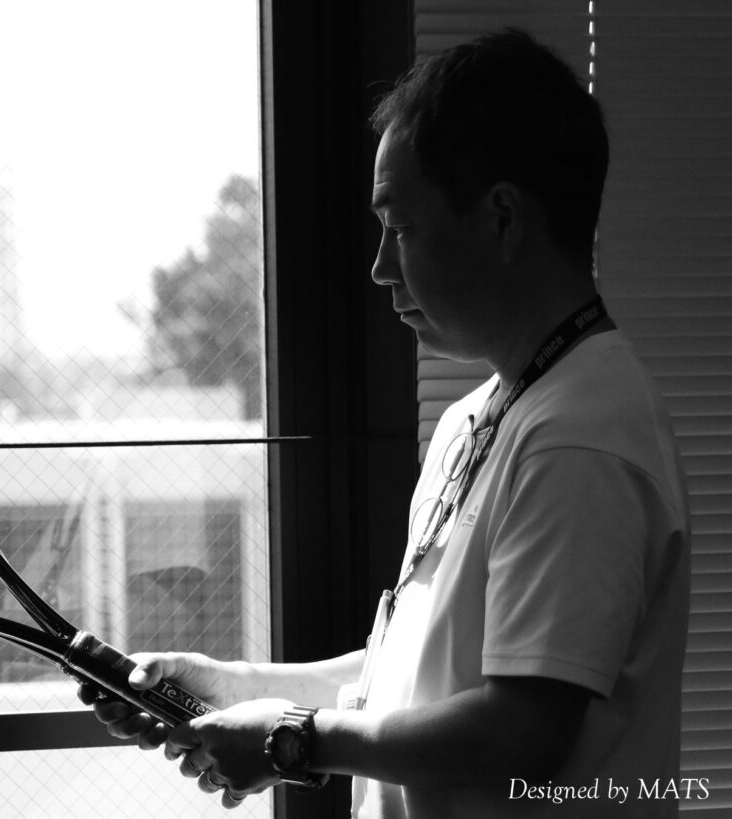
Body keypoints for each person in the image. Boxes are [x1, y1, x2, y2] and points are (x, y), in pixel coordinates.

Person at [80, 28, 691, 818]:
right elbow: (407, 676)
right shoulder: (479, 418)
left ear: (502, 219)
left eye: (400, 228)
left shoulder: (580, 437)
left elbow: (521, 729)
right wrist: (234, 686)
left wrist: (293, 740)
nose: (378, 266)